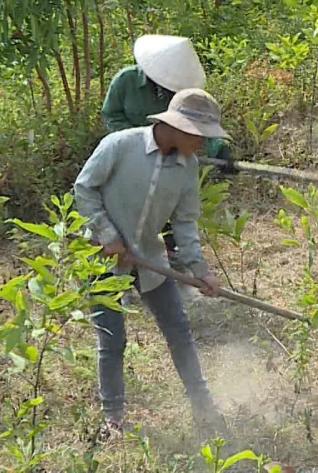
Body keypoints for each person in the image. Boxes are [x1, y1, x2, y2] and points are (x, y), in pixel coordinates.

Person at [75, 88, 230, 440]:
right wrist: (107, 233)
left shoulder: (186, 169)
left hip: (150, 259)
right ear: (177, 127)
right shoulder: (120, 145)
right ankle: (113, 418)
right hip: (102, 259)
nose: (203, 145)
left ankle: (203, 406)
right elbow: (85, 188)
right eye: (199, 136)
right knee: (112, 341)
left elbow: (185, 223)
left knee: (179, 332)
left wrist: (199, 270)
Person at [102, 35, 233, 269]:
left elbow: (197, 125)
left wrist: (220, 150)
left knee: (170, 201)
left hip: (172, 154)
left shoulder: (180, 93)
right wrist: (138, 139)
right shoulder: (126, 81)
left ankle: (171, 253)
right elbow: (111, 114)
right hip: (131, 155)